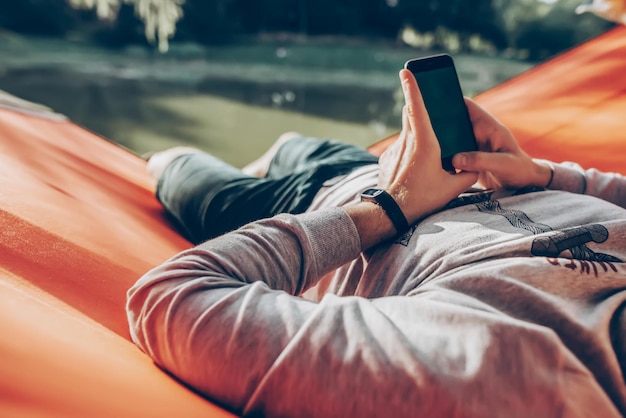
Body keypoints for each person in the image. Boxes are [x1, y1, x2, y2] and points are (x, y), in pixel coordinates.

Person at [127, 69, 626, 418]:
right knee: (293, 143)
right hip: (402, 167)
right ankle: (281, 150)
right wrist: (538, 172)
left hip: (313, 206)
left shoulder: (486, 378)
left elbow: (174, 293)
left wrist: (393, 205)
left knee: (174, 164)